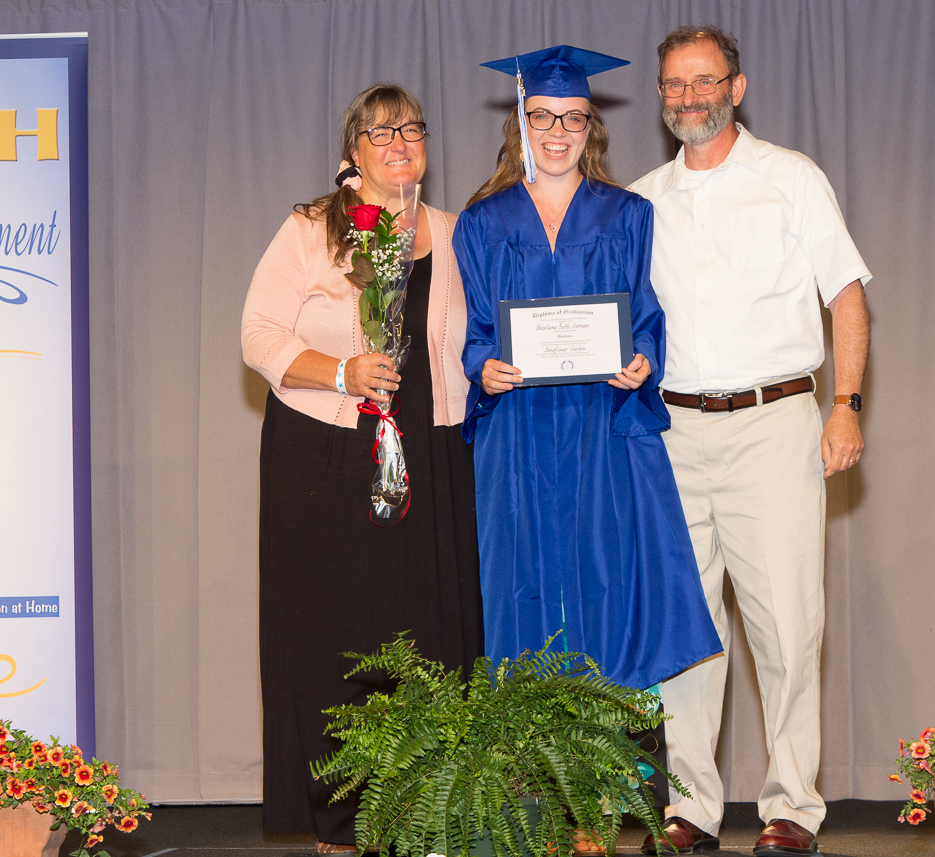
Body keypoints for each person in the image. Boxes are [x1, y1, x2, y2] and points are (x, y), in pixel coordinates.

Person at [630, 26, 871, 857]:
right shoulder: (641, 199)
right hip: (671, 430)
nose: (687, 95)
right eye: (672, 83)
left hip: (774, 425)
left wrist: (847, 403)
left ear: (736, 87)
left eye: (704, 81)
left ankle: (792, 809)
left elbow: (846, 297)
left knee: (788, 625)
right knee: (686, 629)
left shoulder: (791, 179)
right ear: (660, 95)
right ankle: (691, 807)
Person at [241, 83, 482, 850]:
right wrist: (344, 372)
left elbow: (472, 347)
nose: (400, 142)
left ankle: (424, 814)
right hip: (326, 455)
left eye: (412, 128)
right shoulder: (314, 228)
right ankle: (340, 824)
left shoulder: (454, 233)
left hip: (432, 455)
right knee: (333, 638)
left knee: (429, 633)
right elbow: (257, 334)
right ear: (353, 152)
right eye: (380, 132)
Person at [454, 45, 721, 721]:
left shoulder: (626, 215)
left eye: (572, 119)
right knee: (522, 585)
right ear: (521, 121)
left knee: (606, 581)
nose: (556, 133)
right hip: (517, 428)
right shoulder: (482, 222)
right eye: (542, 116)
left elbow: (646, 316)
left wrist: (641, 361)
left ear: (590, 127)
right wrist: (483, 365)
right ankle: (529, 782)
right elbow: (478, 328)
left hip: (600, 422)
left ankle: (598, 794)